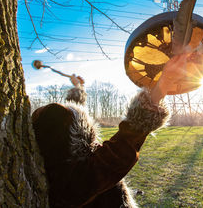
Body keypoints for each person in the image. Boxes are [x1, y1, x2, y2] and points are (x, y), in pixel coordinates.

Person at [32, 54, 189, 207]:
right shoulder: (78, 182)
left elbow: (68, 119)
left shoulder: (62, 171)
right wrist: (163, 85)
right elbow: (122, 148)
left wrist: (78, 88)